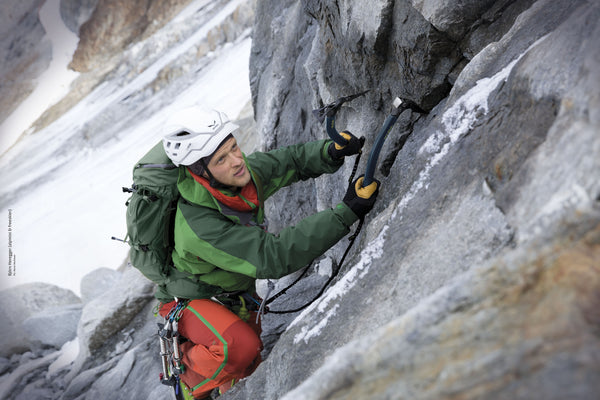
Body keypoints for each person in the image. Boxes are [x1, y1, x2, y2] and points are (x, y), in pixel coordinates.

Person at [157, 107, 380, 399]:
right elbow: (272, 257)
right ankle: (186, 370)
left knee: (249, 362)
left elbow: (288, 162)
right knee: (240, 348)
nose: (237, 161)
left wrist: (330, 152)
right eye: (221, 159)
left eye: (234, 147)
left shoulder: (236, 175)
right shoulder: (199, 226)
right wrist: (344, 213)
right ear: (200, 172)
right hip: (190, 302)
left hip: (230, 295)